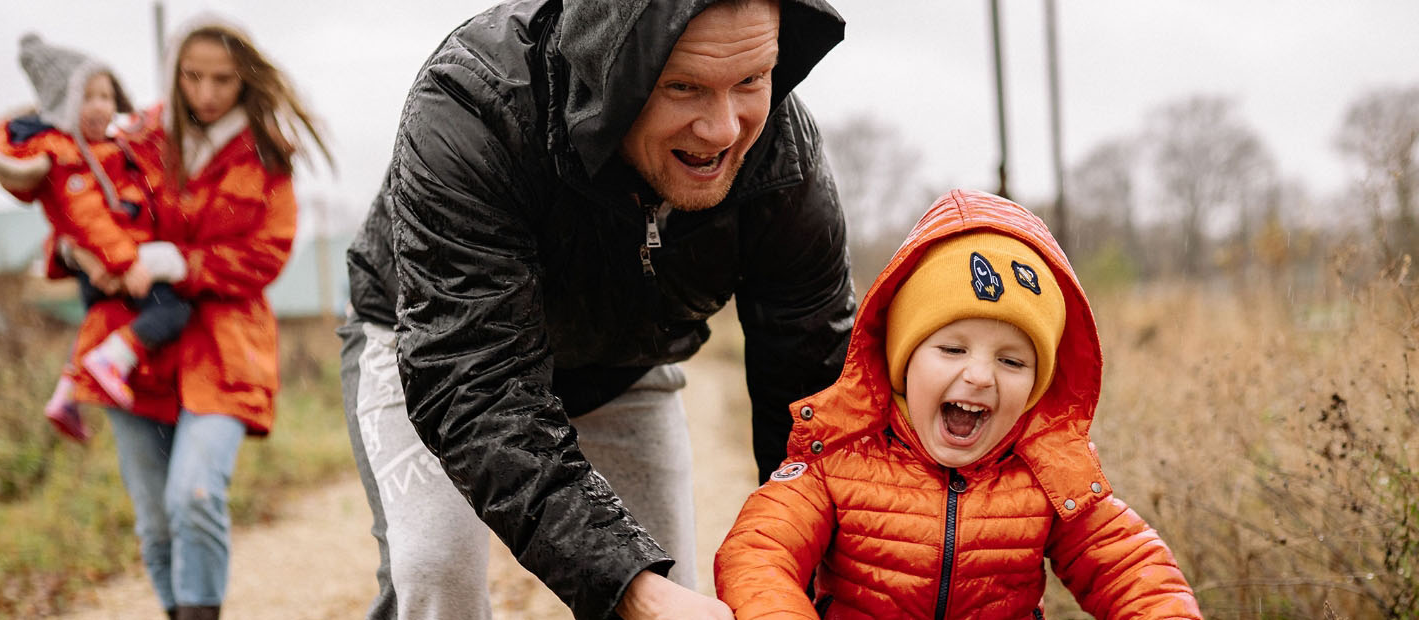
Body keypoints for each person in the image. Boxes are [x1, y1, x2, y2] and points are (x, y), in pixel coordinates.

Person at [341, 0, 852, 618]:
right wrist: (629, 590)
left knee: (677, 586)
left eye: (751, 80)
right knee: (435, 571)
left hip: (621, 364)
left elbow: (810, 399)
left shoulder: (782, 157)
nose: (722, 129)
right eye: (682, 86)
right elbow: (477, 385)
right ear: (609, 69)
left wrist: (805, 585)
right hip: (437, 345)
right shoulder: (470, 106)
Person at [714, 189, 1202, 618]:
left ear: (1038, 385)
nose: (980, 375)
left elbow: (1133, 569)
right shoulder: (842, 456)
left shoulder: (1049, 474)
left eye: (1013, 362)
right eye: (952, 349)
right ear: (902, 359)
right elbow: (758, 554)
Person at [58, 16, 330, 620]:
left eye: (223, 80)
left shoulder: (267, 155)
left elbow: (266, 256)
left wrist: (179, 263)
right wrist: (78, 249)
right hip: (133, 351)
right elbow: (79, 196)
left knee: (196, 496)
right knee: (155, 523)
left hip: (226, 351)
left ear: (246, 79)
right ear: (175, 75)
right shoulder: (136, 136)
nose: (206, 93)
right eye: (193, 77)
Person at [0, 34, 191, 442]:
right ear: (63, 105)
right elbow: (89, 219)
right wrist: (126, 264)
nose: (101, 107)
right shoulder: (69, 157)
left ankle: (67, 394)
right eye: (88, 97)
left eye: (106, 95)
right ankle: (112, 362)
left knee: (103, 322)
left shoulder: (109, 148)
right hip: (116, 260)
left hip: (114, 257)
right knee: (171, 312)